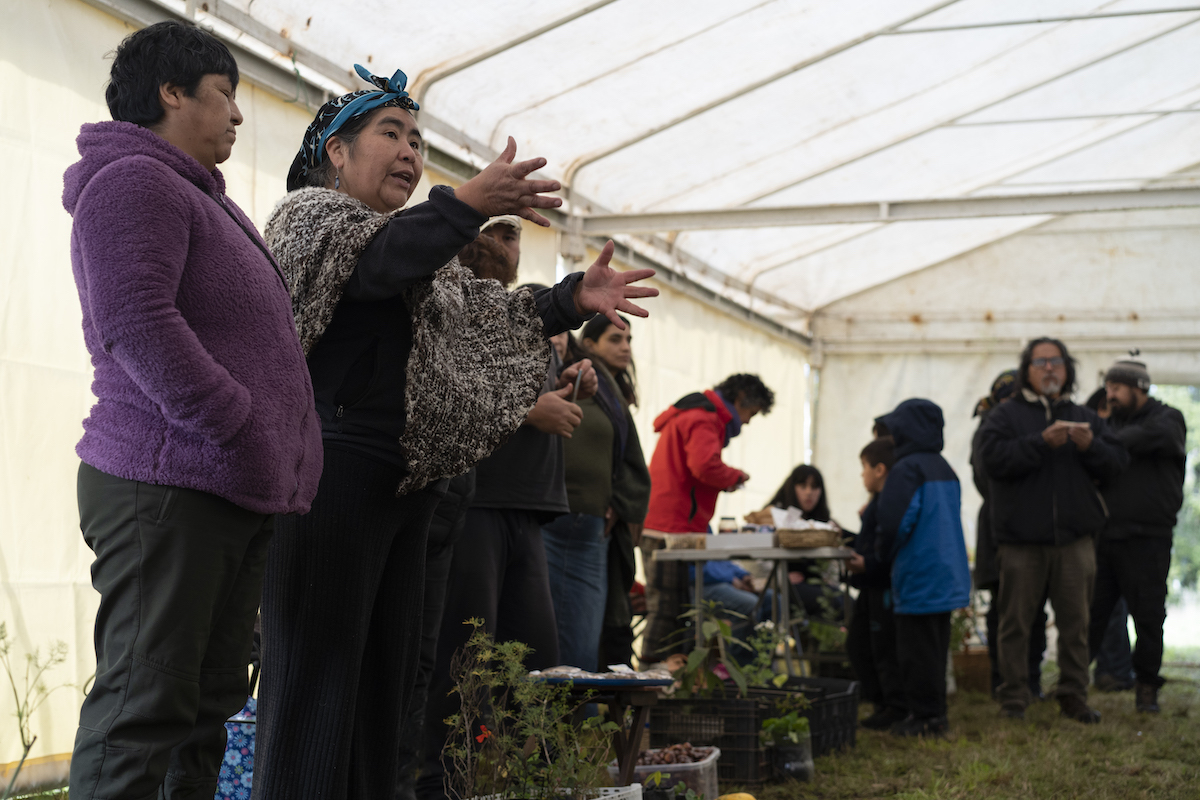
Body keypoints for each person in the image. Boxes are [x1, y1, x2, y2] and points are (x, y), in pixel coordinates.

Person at [253, 64, 657, 800]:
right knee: (318, 685)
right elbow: (376, 264)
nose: (409, 150)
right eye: (390, 133)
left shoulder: (427, 260)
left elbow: (487, 319)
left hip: (406, 487)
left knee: (385, 689)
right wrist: (467, 202)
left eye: (416, 138)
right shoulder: (307, 219)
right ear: (335, 152)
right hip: (328, 480)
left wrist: (571, 298)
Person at [61, 21, 323, 799]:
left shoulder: (191, 193)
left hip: (218, 482)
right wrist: (235, 422)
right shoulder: (132, 183)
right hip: (167, 481)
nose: (239, 115)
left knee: (204, 706)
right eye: (226, 95)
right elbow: (136, 322)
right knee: (146, 702)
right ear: (171, 93)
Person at [394, 233, 518, 800]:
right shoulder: (437, 314)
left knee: (423, 658)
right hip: (429, 501)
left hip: (452, 503)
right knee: (418, 657)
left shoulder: (472, 321)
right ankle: (424, 779)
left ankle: (429, 780)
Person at [980, 337, 1128, 723]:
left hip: (1075, 541)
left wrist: (1091, 445)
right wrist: (1039, 442)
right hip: (1021, 543)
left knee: (1076, 624)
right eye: (1040, 361)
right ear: (1026, 370)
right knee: (1015, 623)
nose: (1049, 368)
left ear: (1067, 369)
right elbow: (991, 460)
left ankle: (1073, 695)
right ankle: (1014, 697)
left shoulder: (1085, 416)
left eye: (1056, 361)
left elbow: (1117, 464)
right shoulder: (1005, 416)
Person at [640, 374, 775, 662]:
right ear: (740, 399)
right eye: (751, 413)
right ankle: (653, 683)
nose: (748, 422)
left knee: (672, 612)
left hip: (667, 525)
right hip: (672, 530)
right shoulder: (705, 417)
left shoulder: (694, 413)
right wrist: (735, 476)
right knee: (667, 614)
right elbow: (704, 466)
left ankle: (662, 683)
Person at [1089, 357, 1186, 713]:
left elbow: (1157, 437)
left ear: (1139, 388)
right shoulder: (1107, 423)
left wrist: (1103, 439)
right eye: (1108, 388)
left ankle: (1146, 687)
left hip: (1148, 537)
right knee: (1092, 613)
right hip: (1106, 534)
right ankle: (1073, 687)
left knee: (1147, 617)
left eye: (1116, 388)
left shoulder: (1167, 418)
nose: (1109, 394)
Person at [559, 315, 652, 671]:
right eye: (615, 339)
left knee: (590, 623)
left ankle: (586, 713)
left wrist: (622, 503)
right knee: (569, 622)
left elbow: (626, 461)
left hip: (594, 524)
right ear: (590, 343)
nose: (625, 347)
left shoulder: (612, 394)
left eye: (628, 339)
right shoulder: (577, 380)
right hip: (565, 519)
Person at [874, 399, 971, 737]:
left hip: (919, 574)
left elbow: (894, 523)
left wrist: (880, 555)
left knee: (915, 653)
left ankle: (925, 718)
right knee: (935, 649)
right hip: (946, 575)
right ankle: (935, 714)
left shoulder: (907, 469)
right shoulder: (944, 467)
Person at [971, 369, 1049, 699]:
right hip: (1000, 529)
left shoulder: (1041, 424)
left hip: (1036, 530)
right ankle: (1003, 682)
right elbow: (985, 479)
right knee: (1004, 609)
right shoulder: (989, 431)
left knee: (1034, 608)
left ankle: (1031, 679)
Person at [844, 437, 907, 730]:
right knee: (860, 644)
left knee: (881, 647)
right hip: (870, 585)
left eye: (864, 468)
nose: (862, 475)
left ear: (879, 469)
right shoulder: (876, 504)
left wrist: (867, 563)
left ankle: (892, 705)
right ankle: (881, 702)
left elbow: (885, 548)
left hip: (881, 586)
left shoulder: (887, 504)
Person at [1082, 386, 1137, 693]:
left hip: (1121, 532)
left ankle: (1116, 669)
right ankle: (1108, 667)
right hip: (1094, 531)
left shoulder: (1120, 439)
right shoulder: (1090, 439)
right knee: (1099, 606)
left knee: (1114, 606)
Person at [763, 465, 845, 621]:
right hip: (784, 588)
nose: (809, 492)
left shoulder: (825, 523)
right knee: (835, 603)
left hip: (816, 585)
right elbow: (758, 562)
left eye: (814, 487)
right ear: (792, 488)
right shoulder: (773, 517)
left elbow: (833, 568)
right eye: (803, 486)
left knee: (848, 603)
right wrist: (781, 578)